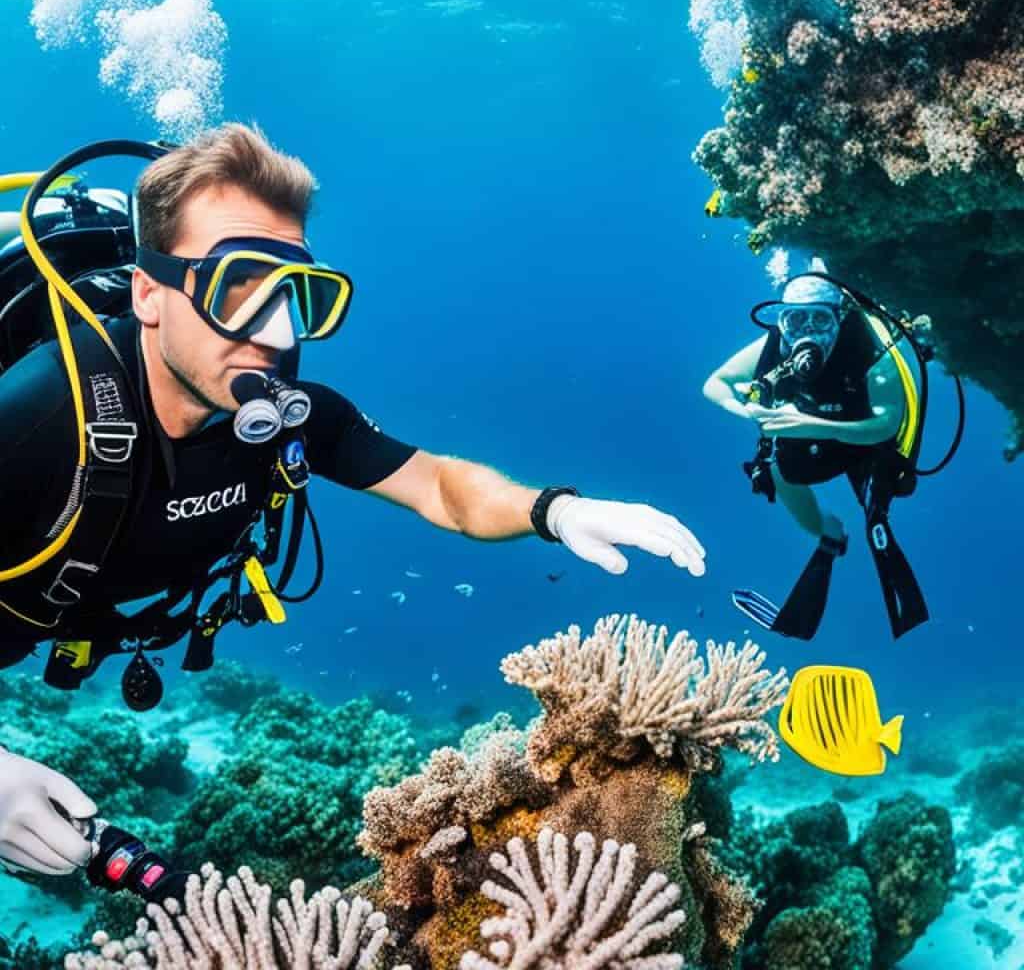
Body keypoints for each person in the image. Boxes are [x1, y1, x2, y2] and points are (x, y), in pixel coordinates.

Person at [0, 125, 705, 880]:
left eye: (294, 292)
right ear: (149, 293)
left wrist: (556, 511)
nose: (276, 334)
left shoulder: (290, 417)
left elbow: (437, 485)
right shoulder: (40, 416)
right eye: (238, 286)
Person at [703, 258, 928, 641]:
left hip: (866, 441)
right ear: (782, 321)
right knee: (780, 470)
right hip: (811, 440)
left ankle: (874, 521)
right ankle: (829, 535)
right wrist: (745, 411)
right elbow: (716, 383)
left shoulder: (872, 350)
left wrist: (812, 425)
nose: (807, 333)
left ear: (840, 318)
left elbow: (887, 424)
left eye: (820, 321)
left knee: (877, 508)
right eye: (795, 321)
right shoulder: (774, 345)